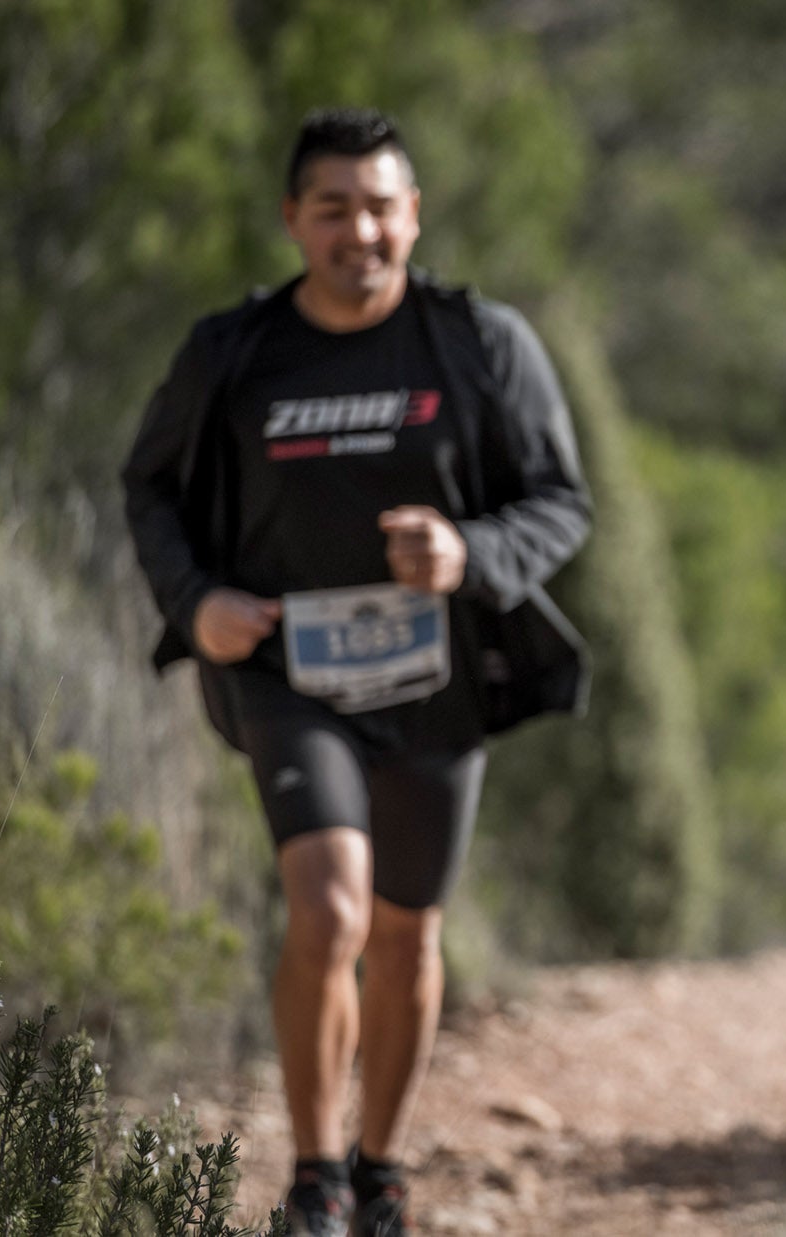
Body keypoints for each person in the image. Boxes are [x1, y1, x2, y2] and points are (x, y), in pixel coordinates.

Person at [122, 108, 592, 1236]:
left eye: (380, 206)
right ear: (293, 220)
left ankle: (380, 1168)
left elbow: (560, 502)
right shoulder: (232, 355)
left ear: (413, 215)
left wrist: (469, 553)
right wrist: (197, 605)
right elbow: (150, 486)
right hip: (290, 677)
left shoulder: (479, 344)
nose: (359, 231)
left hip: (439, 683)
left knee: (405, 932)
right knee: (329, 913)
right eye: (332, 209)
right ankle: (315, 1176)